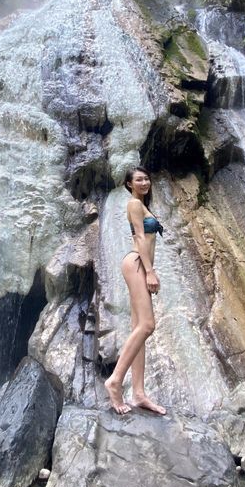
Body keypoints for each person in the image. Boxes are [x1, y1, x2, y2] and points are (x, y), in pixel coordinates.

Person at [104, 166, 167, 415]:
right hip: (137, 264)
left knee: (138, 328)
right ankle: (115, 380)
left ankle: (139, 394)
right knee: (148, 325)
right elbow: (140, 238)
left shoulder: (142, 205)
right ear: (129, 184)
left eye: (147, 178)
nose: (144, 182)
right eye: (139, 179)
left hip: (140, 265)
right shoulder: (133, 204)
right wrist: (150, 272)